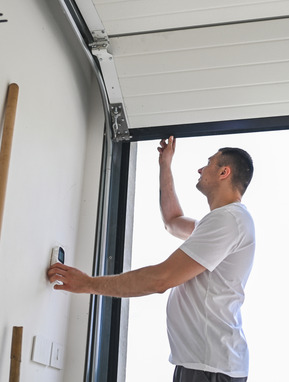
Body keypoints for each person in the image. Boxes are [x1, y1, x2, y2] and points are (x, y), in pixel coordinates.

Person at [47, 136, 255, 382]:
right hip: (201, 364)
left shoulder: (229, 220)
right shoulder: (218, 223)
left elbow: (161, 279)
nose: (201, 169)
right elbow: (172, 221)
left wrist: (88, 284)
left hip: (211, 368)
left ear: (224, 172)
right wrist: (164, 165)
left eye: (208, 163)